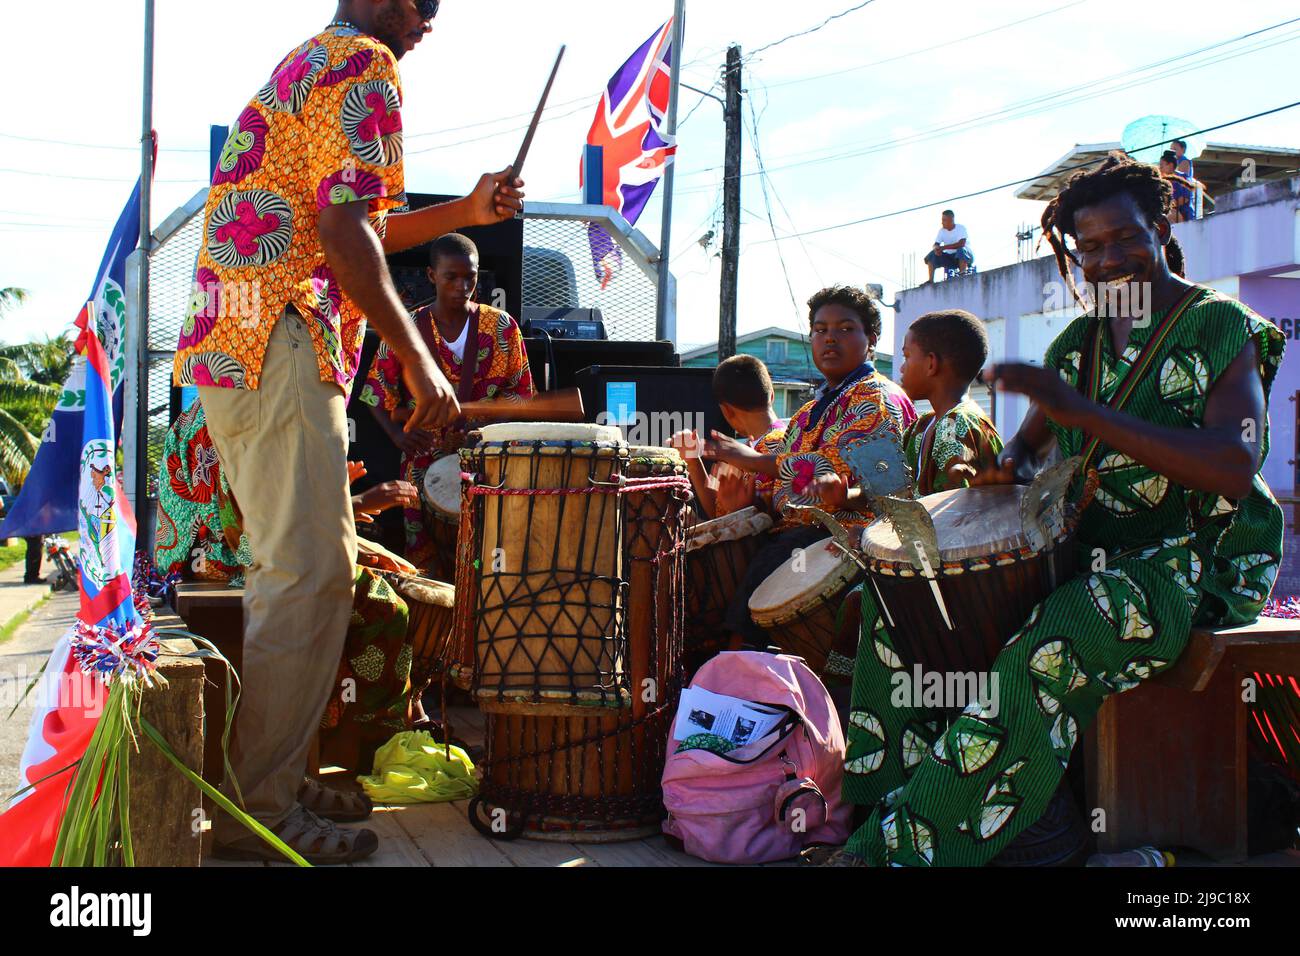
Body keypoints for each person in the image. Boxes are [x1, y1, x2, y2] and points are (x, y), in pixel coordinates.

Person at [821, 152, 1284, 867]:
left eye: (1125, 238)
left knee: (1063, 627)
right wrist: (992, 473)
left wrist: (1083, 414)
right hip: (1084, 550)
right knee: (899, 599)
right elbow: (1022, 458)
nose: (1108, 260)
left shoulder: (1223, 328)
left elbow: (1232, 465)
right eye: (1089, 248)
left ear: (1161, 228)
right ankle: (902, 806)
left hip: (1190, 563)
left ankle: (900, 852)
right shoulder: (1081, 345)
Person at [173, 2, 524, 864]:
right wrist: (415, 356)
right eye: (422, 4)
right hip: (281, 334)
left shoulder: (311, 61)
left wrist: (465, 212)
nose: (428, 25)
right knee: (311, 572)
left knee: (301, 571)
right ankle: (257, 804)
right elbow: (341, 233)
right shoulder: (366, 62)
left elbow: (341, 216)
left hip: (243, 334)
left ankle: (273, 776)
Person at [154, 400, 419, 798]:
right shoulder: (241, 416)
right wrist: (354, 504)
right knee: (384, 606)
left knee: (375, 588)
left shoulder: (230, 400)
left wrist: (339, 505)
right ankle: (367, 743)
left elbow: (277, 506)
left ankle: (345, 740)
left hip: (236, 553)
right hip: (224, 564)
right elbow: (252, 532)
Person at [704, 286, 916, 680]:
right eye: (820, 329)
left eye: (845, 328)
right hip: (795, 541)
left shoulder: (879, 398)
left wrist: (751, 459)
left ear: (871, 339)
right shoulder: (806, 411)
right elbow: (781, 487)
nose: (829, 338)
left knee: (745, 628)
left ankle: (733, 689)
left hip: (841, 544)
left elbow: (882, 490)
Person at [360, 232, 534, 574]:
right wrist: (398, 437)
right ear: (431, 276)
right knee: (425, 570)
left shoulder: (502, 327)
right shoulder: (407, 328)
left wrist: (493, 423)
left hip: (488, 466)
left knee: (490, 564)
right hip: (423, 465)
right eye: (451, 276)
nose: (462, 285)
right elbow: (373, 394)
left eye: (470, 276)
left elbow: (523, 395)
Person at [668, 354, 786, 520]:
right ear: (772, 395)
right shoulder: (793, 441)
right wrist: (694, 461)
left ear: (726, 411)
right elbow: (717, 510)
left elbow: (719, 517)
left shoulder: (742, 454)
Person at [923, 210, 974, 282]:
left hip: (966, 257)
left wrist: (943, 248)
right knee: (932, 255)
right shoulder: (942, 231)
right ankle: (930, 280)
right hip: (951, 258)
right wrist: (936, 249)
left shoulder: (961, 228)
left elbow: (961, 244)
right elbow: (936, 244)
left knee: (960, 250)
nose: (942, 222)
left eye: (944, 220)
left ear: (951, 220)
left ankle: (963, 275)